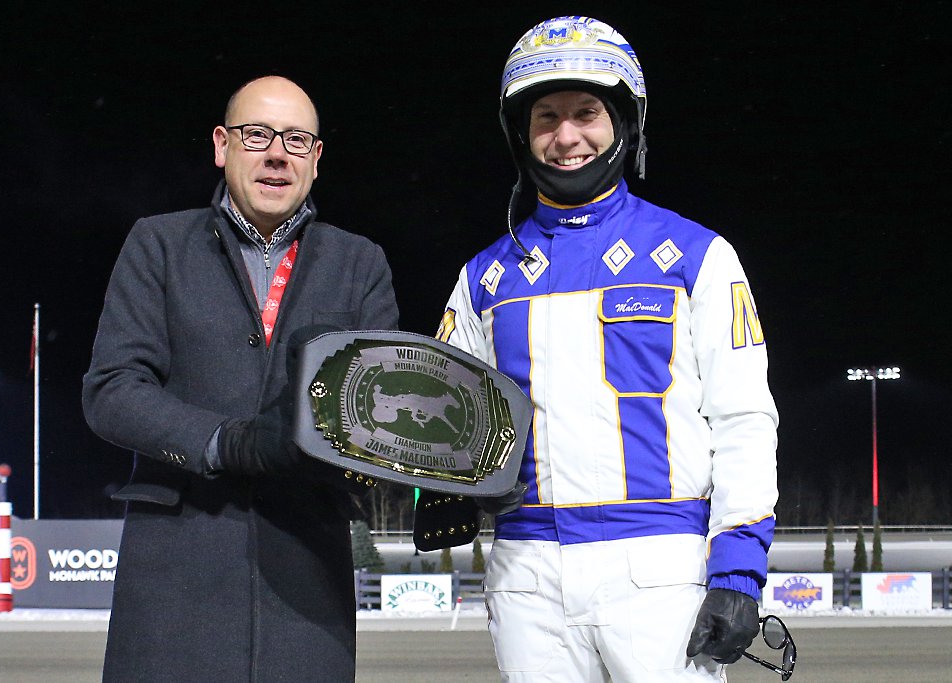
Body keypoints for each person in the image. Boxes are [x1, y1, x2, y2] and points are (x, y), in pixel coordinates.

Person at [432, 16, 779, 682]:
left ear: (624, 121)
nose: (567, 137)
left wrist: (738, 568)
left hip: (662, 574)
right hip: (526, 573)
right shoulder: (483, 279)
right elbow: (452, 429)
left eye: (586, 113)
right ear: (520, 133)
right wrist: (435, 486)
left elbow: (744, 421)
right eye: (546, 116)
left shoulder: (697, 256)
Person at [82, 75, 399, 682]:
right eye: (257, 136)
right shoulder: (159, 245)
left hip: (307, 585)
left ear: (316, 159)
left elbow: (375, 416)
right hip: (176, 573)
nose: (277, 154)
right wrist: (226, 441)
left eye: (297, 141)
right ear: (222, 146)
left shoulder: (359, 263)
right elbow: (113, 390)